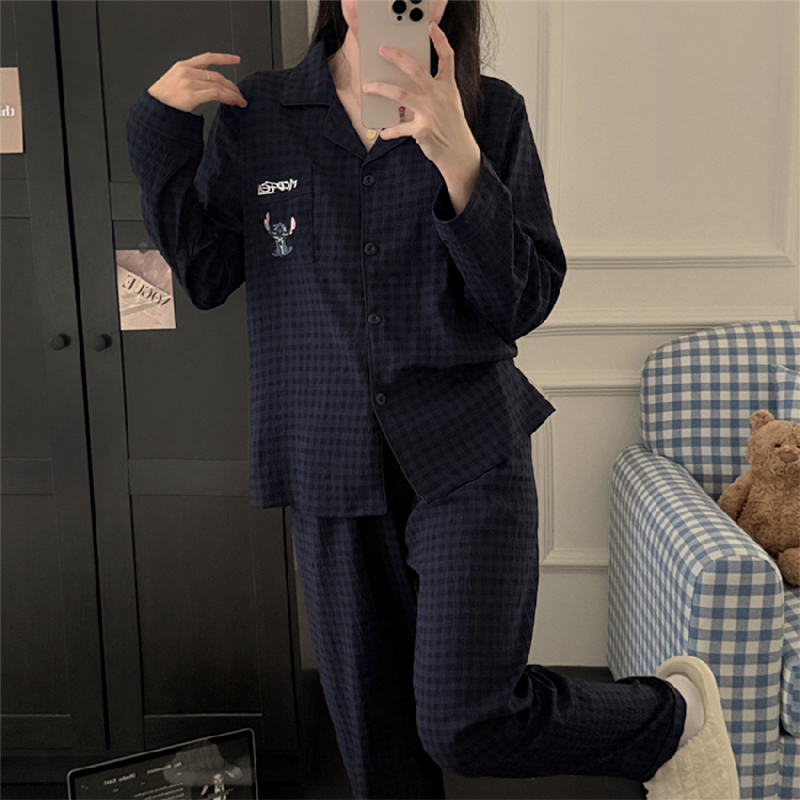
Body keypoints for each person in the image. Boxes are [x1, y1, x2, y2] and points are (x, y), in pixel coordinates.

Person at [127, 1, 741, 798]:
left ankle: (671, 715)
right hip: (326, 464)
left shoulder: (490, 111)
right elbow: (208, 274)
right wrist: (160, 130)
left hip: (467, 456)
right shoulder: (262, 113)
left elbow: (521, 301)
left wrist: (458, 160)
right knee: (376, 744)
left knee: (467, 722)